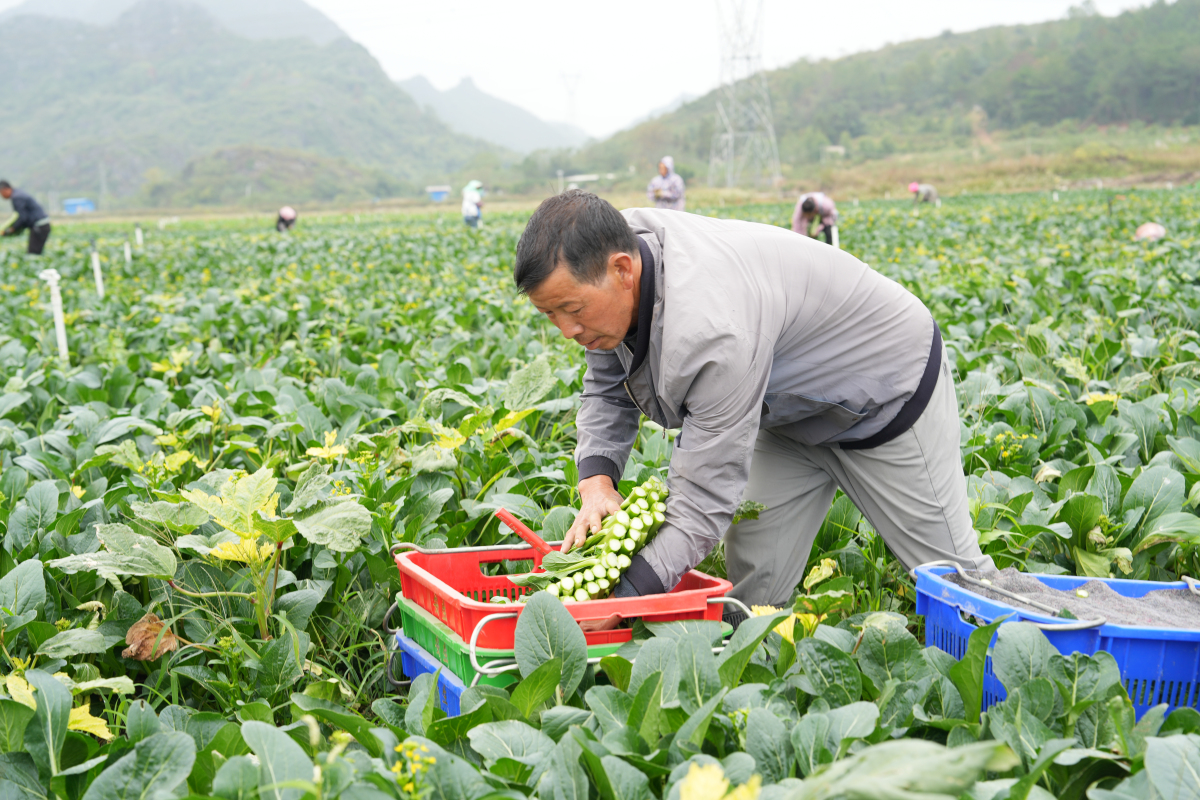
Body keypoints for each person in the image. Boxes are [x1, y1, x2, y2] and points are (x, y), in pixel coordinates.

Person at [513, 190, 992, 626]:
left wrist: (622, 600)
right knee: (751, 599)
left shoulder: (713, 328)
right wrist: (596, 482)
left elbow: (700, 504)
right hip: (785, 415)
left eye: (572, 311)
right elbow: (607, 380)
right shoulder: (612, 252)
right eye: (550, 315)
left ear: (622, 270)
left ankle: (1048, 641)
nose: (567, 331)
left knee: (958, 587)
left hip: (885, 397)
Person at [0, 181, 51, 255]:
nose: (2, 196)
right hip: (42, 226)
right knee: (35, 252)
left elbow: (22, 217)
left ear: (5, 189)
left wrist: (11, 229)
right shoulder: (18, 194)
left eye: (1, 193)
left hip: (39, 226)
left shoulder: (17, 197)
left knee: (33, 254)